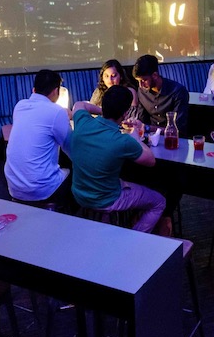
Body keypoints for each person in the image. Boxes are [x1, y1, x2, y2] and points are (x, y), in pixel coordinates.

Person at [70, 85, 165, 233]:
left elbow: (79, 105)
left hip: (79, 194)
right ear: (125, 113)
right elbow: (151, 160)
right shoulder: (123, 141)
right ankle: (132, 240)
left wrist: (104, 111)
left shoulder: (82, 122)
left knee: (121, 181)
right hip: (106, 200)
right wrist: (135, 137)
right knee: (159, 202)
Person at [3, 69, 73, 207]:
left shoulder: (20, 106)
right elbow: (72, 148)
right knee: (77, 174)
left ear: (33, 89)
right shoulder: (56, 111)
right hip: (40, 190)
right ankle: (70, 221)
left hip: (14, 186)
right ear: (56, 91)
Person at [132, 54, 189, 134]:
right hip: (151, 137)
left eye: (144, 80)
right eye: (138, 81)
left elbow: (178, 128)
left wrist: (148, 128)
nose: (140, 85)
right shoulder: (142, 91)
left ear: (155, 75)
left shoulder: (178, 92)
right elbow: (142, 120)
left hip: (173, 139)